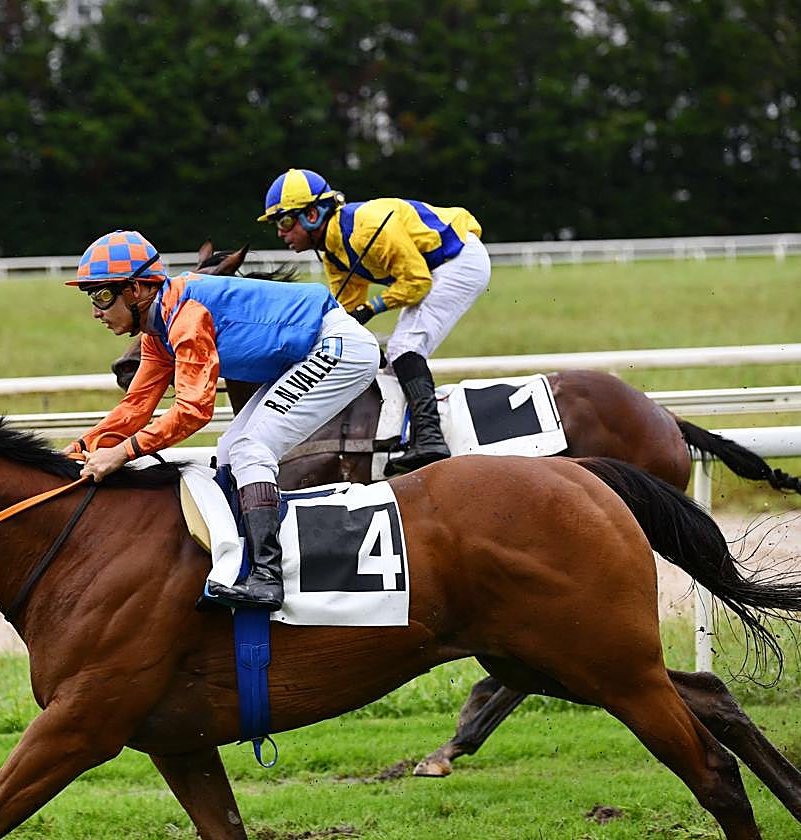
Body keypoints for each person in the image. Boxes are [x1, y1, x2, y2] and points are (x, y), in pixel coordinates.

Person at [64, 230, 379, 610]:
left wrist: (122, 454)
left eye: (101, 295)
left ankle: (268, 578)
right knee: (229, 449)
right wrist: (79, 449)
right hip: (304, 354)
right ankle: (241, 564)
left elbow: (194, 410)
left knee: (250, 449)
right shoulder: (158, 331)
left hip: (338, 346)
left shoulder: (186, 315)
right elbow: (135, 409)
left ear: (135, 290)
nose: (95, 311)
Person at [259, 168, 491, 474]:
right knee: (394, 356)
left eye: (285, 221)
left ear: (312, 215)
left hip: (458, 260)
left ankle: (431, 439)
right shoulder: (333, 252)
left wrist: (371, 308)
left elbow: (417, 283)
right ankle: (408, 434)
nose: (281, 233)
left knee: (404, 348)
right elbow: (345, 312)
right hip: (437, 267)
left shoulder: (365, 229)